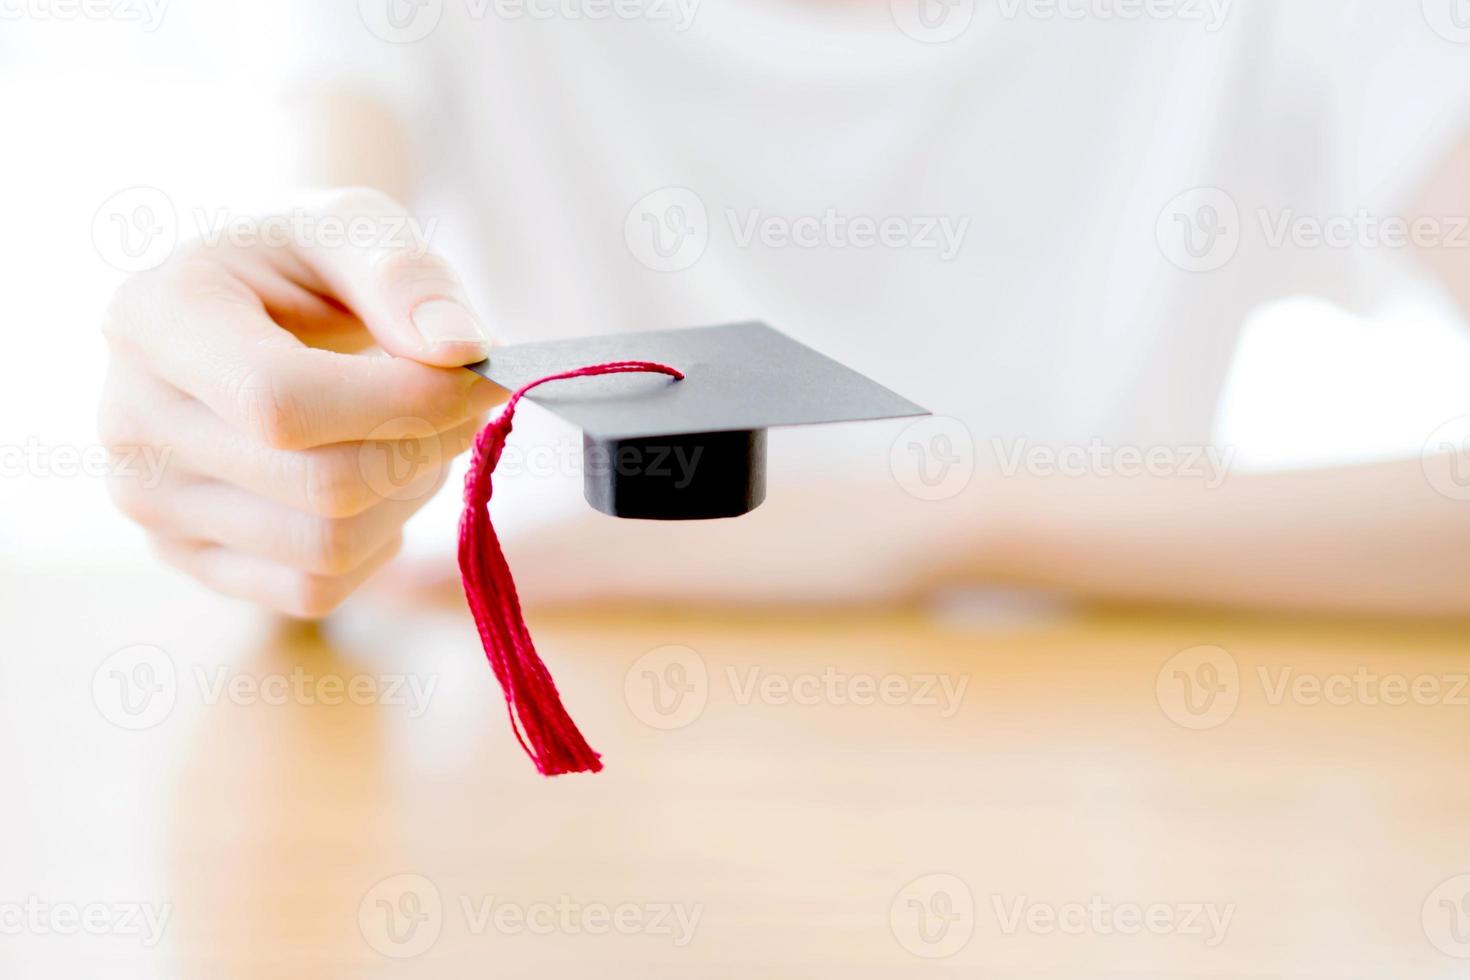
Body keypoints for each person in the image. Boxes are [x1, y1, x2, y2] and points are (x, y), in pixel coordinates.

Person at [100, 0, 1470, 618]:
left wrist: (936, 519)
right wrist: (250, 416)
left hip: (1099, 788)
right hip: (563, 753)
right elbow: (310, 230)